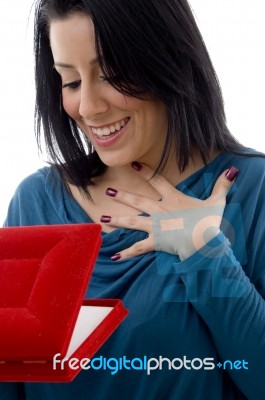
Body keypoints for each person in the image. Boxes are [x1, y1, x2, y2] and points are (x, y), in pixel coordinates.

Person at [1, 0, 265, 399]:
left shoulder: (252, 191)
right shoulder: (35, 203)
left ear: (168, 58)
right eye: (70, 82)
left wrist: (205, 252)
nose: (88, 107)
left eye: (112, 74)